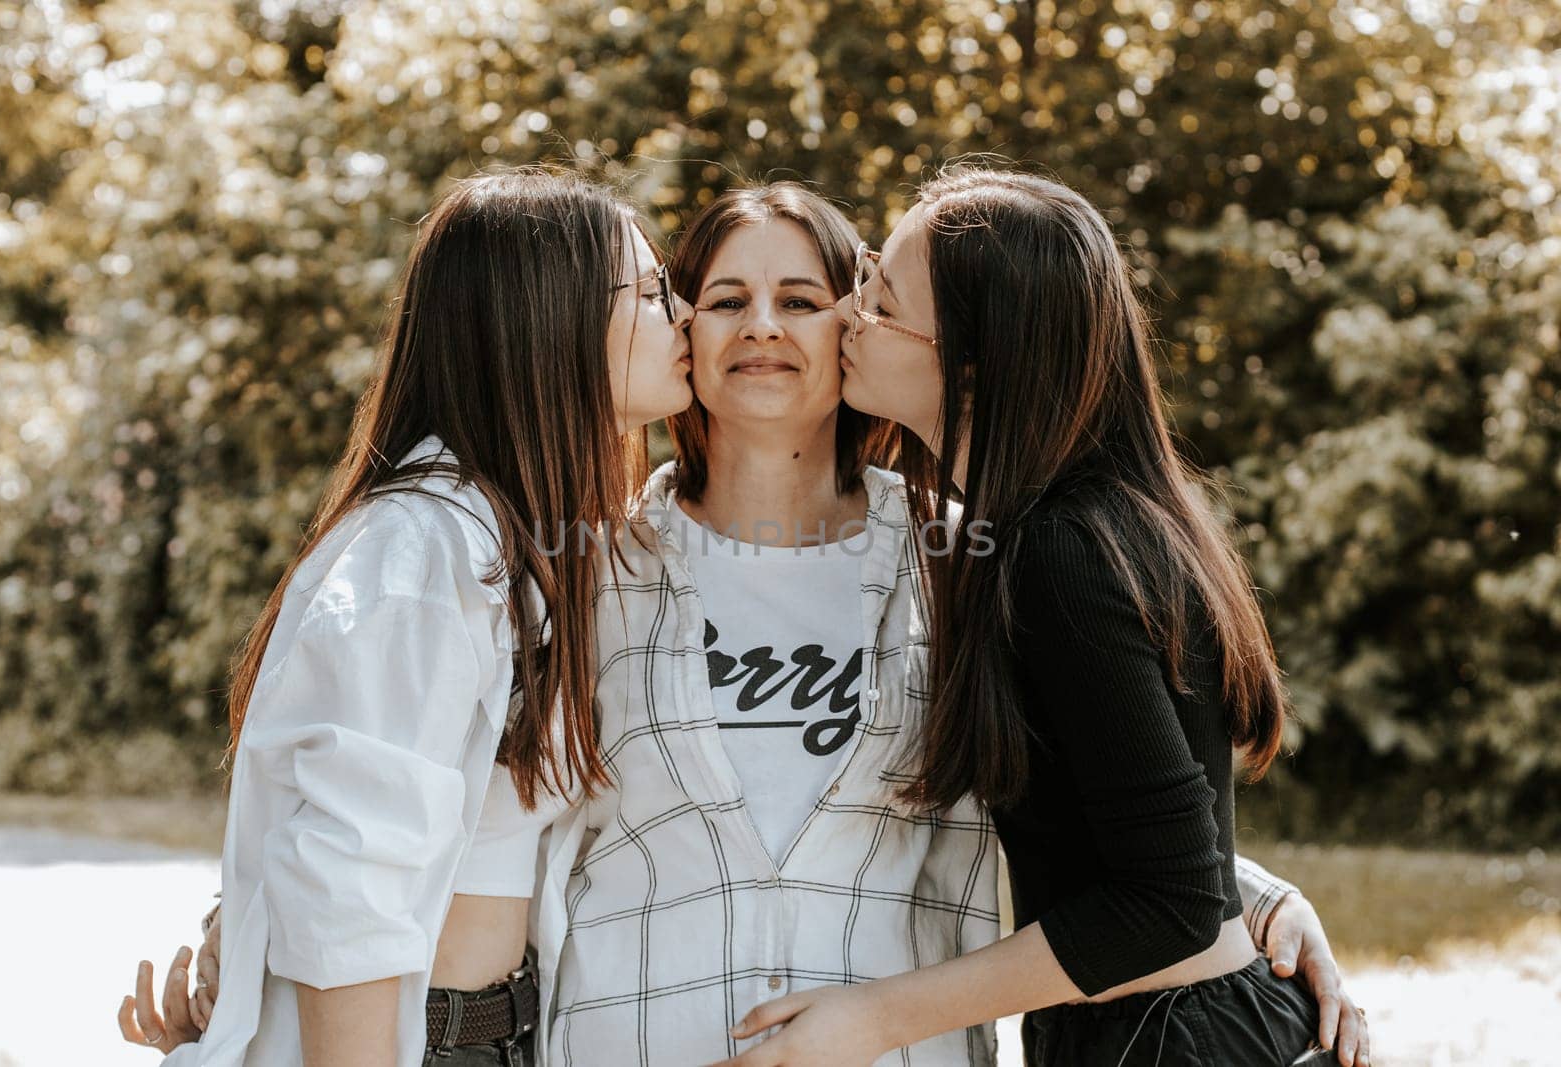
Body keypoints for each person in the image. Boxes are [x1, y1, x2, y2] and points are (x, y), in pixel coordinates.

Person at [128, 180, 1362, 1067]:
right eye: (719, 297)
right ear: (682, 333)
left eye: (808, 295)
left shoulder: (965, 560)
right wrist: (248, 941)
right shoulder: (568, 563)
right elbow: (408, 788)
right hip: (627, 1037)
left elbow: (1079, 787)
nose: (762, 325)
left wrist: (1241, 898)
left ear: (855, 329)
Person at [717, 168, 1371, 1067]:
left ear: (974, 359)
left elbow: (1173, 898)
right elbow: (1149, 832)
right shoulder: (1061, 524)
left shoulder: (1058, 550)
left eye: (881, 295)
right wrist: (1267, 899)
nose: (850, 313)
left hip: (1171, 1038)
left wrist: (871, 1019)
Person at [115, 169, 695, 1067]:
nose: (685, 314)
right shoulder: (421, 549)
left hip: (501, 1035)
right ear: (551, 315)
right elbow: (349, 877)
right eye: (653, 291)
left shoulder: (540, 546)